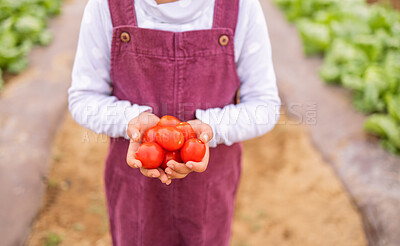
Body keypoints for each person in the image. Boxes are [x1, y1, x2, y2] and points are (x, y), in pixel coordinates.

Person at [68, 0, 280, 245]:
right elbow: (83, 97)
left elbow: (265, 106)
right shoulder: (105, 6)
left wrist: (212, 127)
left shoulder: (241, 7)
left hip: (210, 183)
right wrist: (130, 121)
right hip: (135, 178)